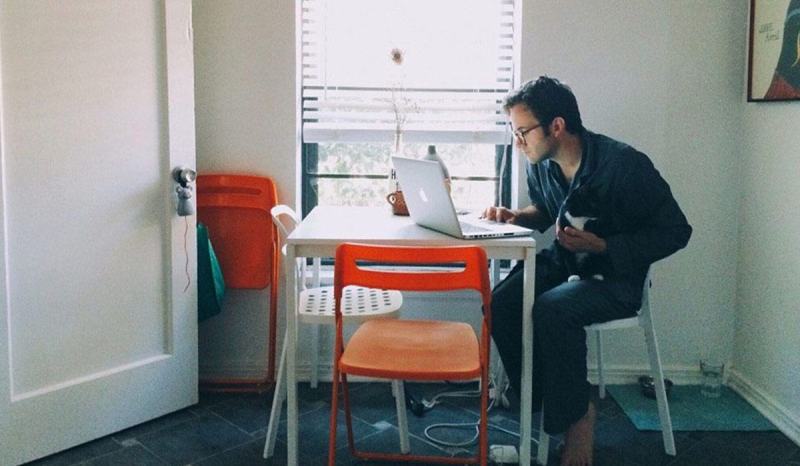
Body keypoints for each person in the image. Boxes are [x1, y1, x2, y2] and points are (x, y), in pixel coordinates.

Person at [484, 76, 692, 466]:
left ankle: (578, 419)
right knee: (502, 303)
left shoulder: (625, 166)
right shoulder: (544, 165)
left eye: (523, 131)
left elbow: (676, 231)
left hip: (614, 277)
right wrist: (515, 217)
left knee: (551, 309)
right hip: (566, 262)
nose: (518, 141)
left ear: (557, 126)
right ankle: (550, 403)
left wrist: (606, 246)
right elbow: (547, 212)